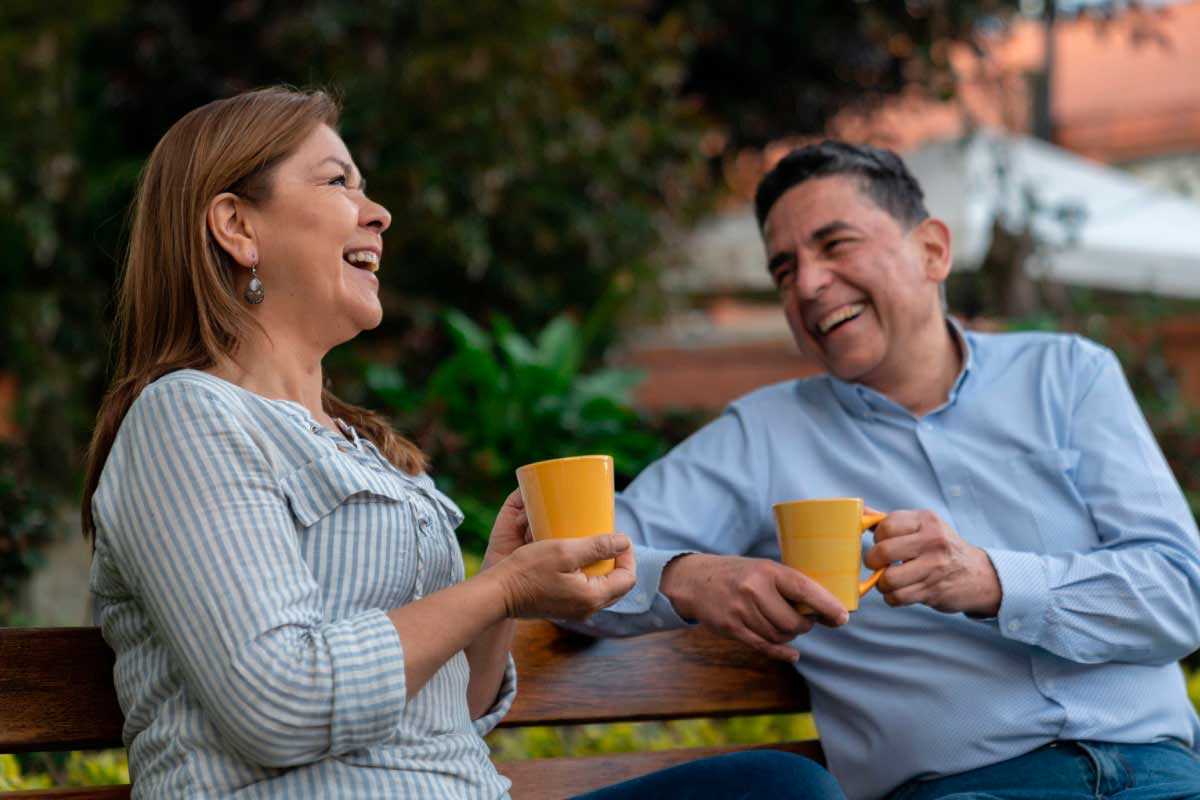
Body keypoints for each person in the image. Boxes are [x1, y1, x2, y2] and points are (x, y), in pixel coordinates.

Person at [79, 87, 845, 799]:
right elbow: (281, 703)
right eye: (337, 183)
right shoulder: (186, 419)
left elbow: (459, 707)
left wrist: (504, 589)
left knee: (779, 788)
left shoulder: (362, 445)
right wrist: (498, 591)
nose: (376, 213)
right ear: (237, 226)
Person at [576, 140, 1200, 800]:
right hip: (965, 790)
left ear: (933, 250)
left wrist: (992, 579)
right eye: (784, 270)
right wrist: (686, 577)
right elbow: (579, 563)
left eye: (835, 244)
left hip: (1163, 776)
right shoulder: (761, 436)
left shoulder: (1068, 374)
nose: (808, 285)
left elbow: (1181, 593)